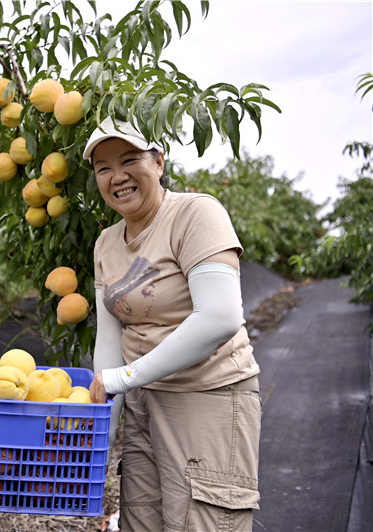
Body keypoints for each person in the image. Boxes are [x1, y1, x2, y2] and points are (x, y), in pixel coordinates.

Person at [86, 117, 261, 531]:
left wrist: (124, 378)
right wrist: (104, 428)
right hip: (144, 402)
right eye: (103, 168)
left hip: (207, 396)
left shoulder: (195, 213)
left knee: (202, 523)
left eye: (130, 160)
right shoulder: (107, 242)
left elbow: (219, 318)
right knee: (140, 523)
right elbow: (109, 334)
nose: (117, 177)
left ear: (159, 161)